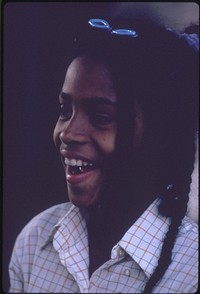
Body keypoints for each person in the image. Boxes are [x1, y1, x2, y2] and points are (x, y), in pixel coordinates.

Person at [9, 16, 198, 293]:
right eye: (65, 111)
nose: (68, 133)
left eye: (100, 117)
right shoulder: (36, 240)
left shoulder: (191, 271)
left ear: (161, 136)